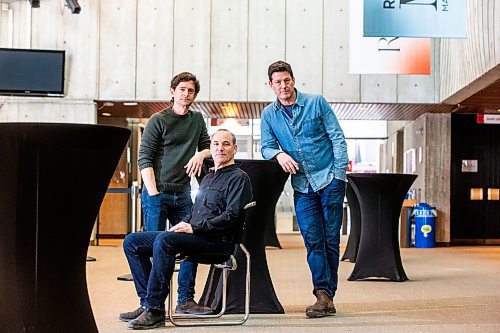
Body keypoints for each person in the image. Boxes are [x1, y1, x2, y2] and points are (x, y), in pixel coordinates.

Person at [120, 129, 253, 330]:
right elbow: (196, 211)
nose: (220, 148)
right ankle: (147, 302)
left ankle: (155, 310)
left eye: (225, 144)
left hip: (218, 242)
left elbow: (231, 217)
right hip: (197, 235)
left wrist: (194, 227)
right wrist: (183, 224)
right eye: (216, 144)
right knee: (132, 241)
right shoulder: (208, 177)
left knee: (165, 241)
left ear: (235, 148)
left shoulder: (239, 178)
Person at [260, 61, 348, 318]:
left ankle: (324, 294)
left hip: (329, 179)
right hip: (303, 185)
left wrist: (338, 175)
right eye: (277, 82)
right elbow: (265, 146)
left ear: (293, 79)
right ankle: (324, 294)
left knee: (330, 239)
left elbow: (337, 137)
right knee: (312, 239)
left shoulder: (316, 102)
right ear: (271, 85)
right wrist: (278, 154)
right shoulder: (269, 114)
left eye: (286, 80)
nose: (283, 86)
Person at [137, 71, 211, 314]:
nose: (186, 94)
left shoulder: (197, 120)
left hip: (184, 194)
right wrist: (154, 193)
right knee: (151, 248)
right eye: (182, 89)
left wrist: (200, 154)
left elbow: (208, 148)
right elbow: (144, 158)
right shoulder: (158, 120)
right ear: (172, 92)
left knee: (190, 246)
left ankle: (185, 300)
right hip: (157, 194)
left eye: (191, 91)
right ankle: (149, 303)